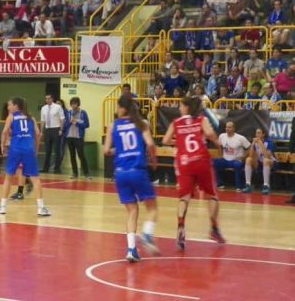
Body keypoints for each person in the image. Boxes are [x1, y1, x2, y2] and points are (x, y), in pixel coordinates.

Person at [163, 97, 225, 251]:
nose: (179, 108)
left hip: (184, 162)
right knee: (212, 195)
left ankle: (181, 226)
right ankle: (214, 228)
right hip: (201, 160)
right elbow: (210, 133)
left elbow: (165, 140)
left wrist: (178, 142)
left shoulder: (175, 123)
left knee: (184, 198)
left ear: (186, 108)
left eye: (181, 106)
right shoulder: (201, 119)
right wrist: (218, 144)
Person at [103, 94, 159, 262]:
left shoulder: (113, 126)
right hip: (137, 170)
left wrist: (118, 151)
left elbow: (106, 151)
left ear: (122, 108)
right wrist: (153, 159)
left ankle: (131, 250)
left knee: (132, 211)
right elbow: (150, 144)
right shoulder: (142, 124)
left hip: (120, 173)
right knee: (152, 208)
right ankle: (147, 234)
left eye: (118, 107)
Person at [0, 97, 50, 217]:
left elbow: (4, 132)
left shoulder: (11, 117)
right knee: (35, 179)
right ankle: (41, 208)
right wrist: (35, 148)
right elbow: (38, 134)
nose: (8, 107)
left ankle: (3, 207)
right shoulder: (31, 117)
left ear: (16, 106)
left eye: (10, 105)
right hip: (29, 149)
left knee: (8, 177)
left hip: (15, 149)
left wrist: (2, 145)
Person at [213, 121, 251, 191]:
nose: (227, 129)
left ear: (234, 128)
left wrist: (243, 158)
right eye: (226, 127)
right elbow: (219, 146)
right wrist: (220, 155)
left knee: (238, 165)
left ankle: (239, 186)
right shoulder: (222, 136)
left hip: (235, 160)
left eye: (229, 127)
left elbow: (249, 147)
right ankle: (220, 184)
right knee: (214, 162)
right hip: (225, 159)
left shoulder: (240, 138)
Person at [64, 97, 90, 179]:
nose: (73, 105)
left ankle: (87, 173)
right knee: (72, 155)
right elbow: (65, 126)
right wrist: (70, 122)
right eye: (72, 104)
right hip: (69, 137)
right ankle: (75, 173)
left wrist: (77, 123)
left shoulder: (83, 113)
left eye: (75, 104)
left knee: (81, 155)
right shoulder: (68, 113)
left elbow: (87, 125)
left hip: (78, 137)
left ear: (78, 104)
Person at [243, 128, 275, 195]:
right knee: (248, 159)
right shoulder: (255, 142)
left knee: (266, 160)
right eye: (256, 133)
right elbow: (251, 155)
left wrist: (260, 144)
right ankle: (248, 185)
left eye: (259, 133)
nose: (257, 135)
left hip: (271, 162)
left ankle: (266, 186)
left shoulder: (269, 142)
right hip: (260, 162)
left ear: (263, 134)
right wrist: (252, 144)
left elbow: (267, 156)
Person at [40, 94, 65, 173]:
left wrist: (61, 129)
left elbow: (62, 119)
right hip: (47, 129)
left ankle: (57, 168)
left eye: (49, 98)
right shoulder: (43, 108)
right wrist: (41, 131)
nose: (47, 100)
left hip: (56, 129)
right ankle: (45, 168)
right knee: (48, 150)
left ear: (52, 99)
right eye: (46, 98)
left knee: (57, 150)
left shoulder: (58, 107)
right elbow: (42, 120)